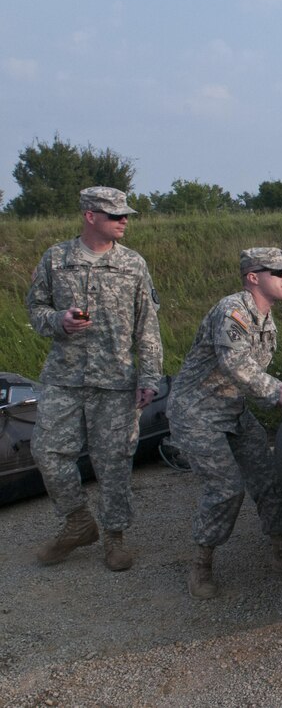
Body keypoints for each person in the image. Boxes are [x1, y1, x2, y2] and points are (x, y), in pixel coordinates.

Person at [167, 247, 282, 599]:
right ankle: (201, 566)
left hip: (231, 408)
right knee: (225, 488)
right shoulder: (232, 311)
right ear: (254, 277)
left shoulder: (265, 319)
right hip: (197, 412)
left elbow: (254, 373)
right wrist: (278, 395)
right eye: (277, 272)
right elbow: (237, 366)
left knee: (269, 477)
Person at [26, 186, 163, 571]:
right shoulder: (56, 259)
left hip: (116, 381)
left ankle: (114, 538)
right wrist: (59, 321)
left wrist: (150, 376)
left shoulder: (133, 264)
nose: (123, 221)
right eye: (115, 215)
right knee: (47, 453)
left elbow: (147, 326)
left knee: (114, 462)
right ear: (90, 216)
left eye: (125, 215)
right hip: (64, 377)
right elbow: (36, 308)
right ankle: (77, 521)